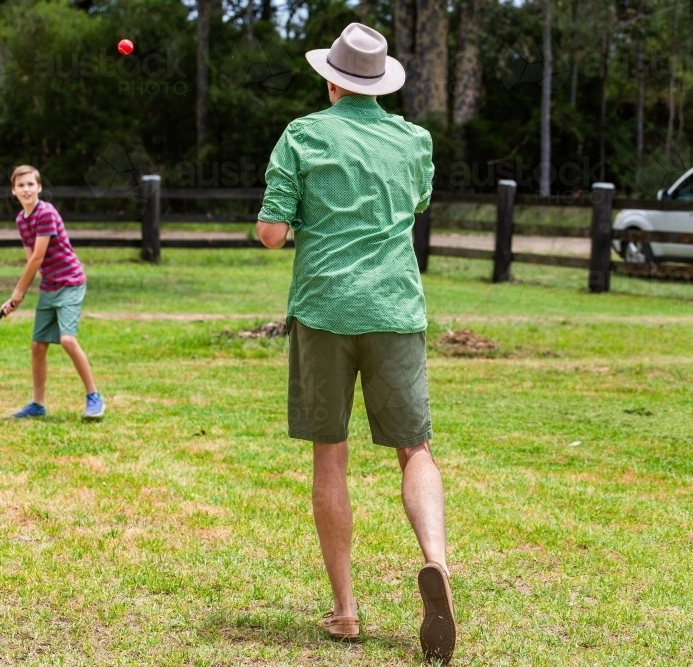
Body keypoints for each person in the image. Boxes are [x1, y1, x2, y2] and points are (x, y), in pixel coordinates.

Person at [255, 24, 456, 664]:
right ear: (382, 81)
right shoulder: (413, 139)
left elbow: (271, 234)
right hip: (396, 309)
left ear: (331, 78)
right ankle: (436, 562)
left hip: (323, 310)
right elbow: (416, 203)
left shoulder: (304, 134)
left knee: (330, 455)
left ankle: (345, 611)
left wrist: (301, 217)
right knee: (414, 448)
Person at [0, 165, 104, 420]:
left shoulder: (45, 213)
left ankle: (94, 397)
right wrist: (16, 297)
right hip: (50, 285)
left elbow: (37, 257)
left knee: (67, 340)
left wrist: (18, 294)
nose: (26, 189)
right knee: (38, 345)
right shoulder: (21, 220)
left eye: (30, 184)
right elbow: (31, 263)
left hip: (70, 282)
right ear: (14, 191)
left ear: (39, 187)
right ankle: (37, 404)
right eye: (21, 185)